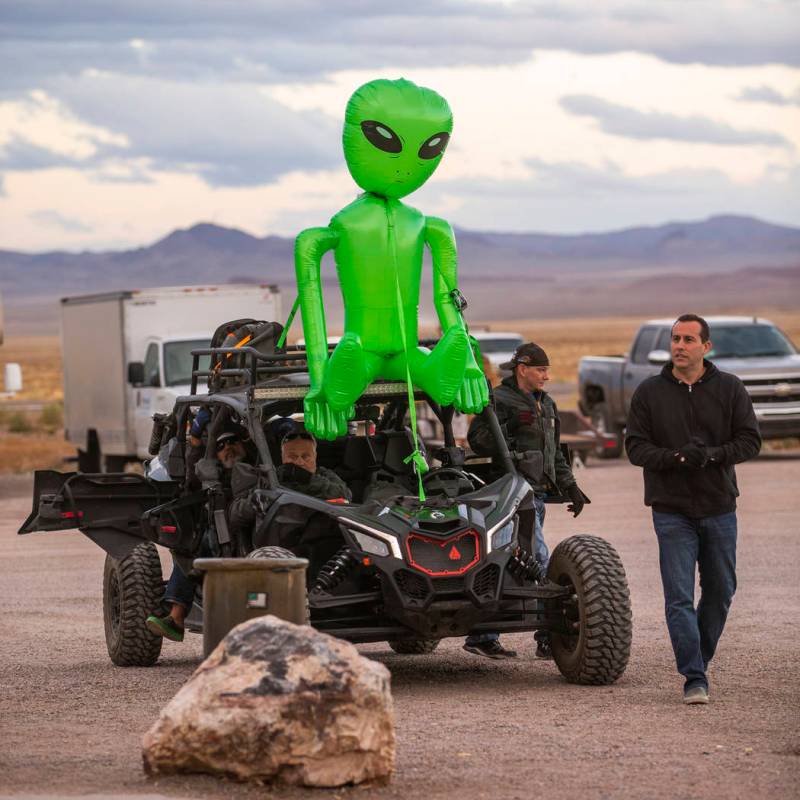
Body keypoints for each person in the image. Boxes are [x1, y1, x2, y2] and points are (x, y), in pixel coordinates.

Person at [625, 313, 761, 705]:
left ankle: (698, 655)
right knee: (679, 596)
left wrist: (712, 456)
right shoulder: (649, 392)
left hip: (719, 506)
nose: (680, 346)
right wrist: (677, 458)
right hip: (671, 510)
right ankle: (694, 676)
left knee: (720, 590)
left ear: (706, 346)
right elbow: (636, 448)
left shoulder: (730, 388)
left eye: (688, 339)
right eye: (675, 339)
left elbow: (750, 441)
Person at [465, 342, 587, 660]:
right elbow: (478, 440)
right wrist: (506, 437)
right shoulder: (498, 400)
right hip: (506, 496)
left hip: (536, 496)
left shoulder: (546, 404)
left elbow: (555, 453)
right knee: (523, 561)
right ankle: (513, 635)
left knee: (527, 563)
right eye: (541, 369)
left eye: (547, 370)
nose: (547, 376)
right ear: (523, 369)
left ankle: (498, 636)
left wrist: (571, 486)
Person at [146, 428, 253, 642]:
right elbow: (191, 477)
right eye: (220, 447)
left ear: (245, 445)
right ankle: (176, 617)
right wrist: (195, 445)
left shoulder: (260, 470)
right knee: (197, 544)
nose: (227, 449)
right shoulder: (210, 474)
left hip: (254, 535)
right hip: (220, 541)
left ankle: (177, 616)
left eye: (232, 442)